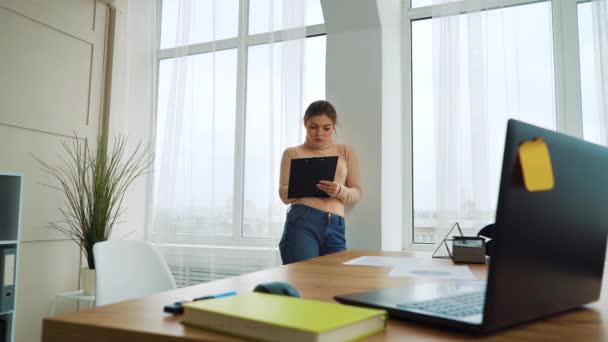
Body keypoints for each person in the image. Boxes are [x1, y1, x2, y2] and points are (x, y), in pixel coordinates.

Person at [278, 100, 362, 265]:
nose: (319, 133)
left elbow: (357, 192)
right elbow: (283, 195)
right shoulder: (292, 153)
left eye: (326, 128)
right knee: (305, 281)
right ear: (305, 124)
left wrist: (339, 190)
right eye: (313, 127)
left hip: (336, 225)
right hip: (302, 221)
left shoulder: (345, 151)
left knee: (334, 284)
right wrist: (306, 184)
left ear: (334, 126)